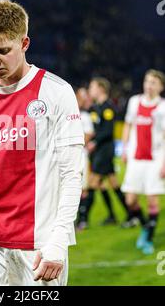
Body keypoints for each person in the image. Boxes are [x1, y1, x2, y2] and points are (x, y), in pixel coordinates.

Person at [0, 0, 84, 286]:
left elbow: (71, 175)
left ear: (24, 43)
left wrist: (58, 243)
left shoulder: (57, 92)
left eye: (3, 51)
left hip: (39, 241)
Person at [121, 69, 165, 254]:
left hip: (155, 159)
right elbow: (128, 124)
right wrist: (124, 148)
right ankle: (147, 226)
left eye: (154, 82)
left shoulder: (163, 107)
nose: (149, 85)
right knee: (130, 200)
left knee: (152, 200)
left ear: (161, 87)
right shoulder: (134, 102)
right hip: (135, 159)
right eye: (147, 81)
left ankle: (147, 238)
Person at [80, 77, 132, 227]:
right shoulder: (96, 107)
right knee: (111, 184)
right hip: (99, 151)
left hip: (105, 151)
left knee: (92, 184)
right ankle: (126, 214)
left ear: (101, 89)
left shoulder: (108, 107)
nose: (90, 90)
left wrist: (94, 141)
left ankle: (82, 219)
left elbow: (108, 131)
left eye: (92, 87)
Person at [74, 87, 95, 230]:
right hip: (66, 156)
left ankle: (83, 219)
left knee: (83, 188)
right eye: (80, 97)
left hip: (81, 155)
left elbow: (89, 134)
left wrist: (75, 144)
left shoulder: (85, 116)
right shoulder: (66, 113)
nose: (82, 100)